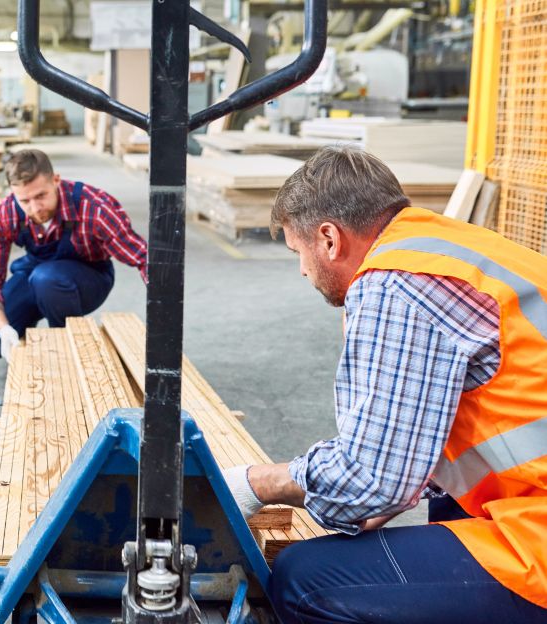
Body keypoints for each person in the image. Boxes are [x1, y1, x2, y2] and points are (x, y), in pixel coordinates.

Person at [220, 145, 547, 623]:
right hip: (526, 496)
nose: (303, 271)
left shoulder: (394, 284)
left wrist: (255, 483)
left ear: (329, 239)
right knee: (446, 511)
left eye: (299, 252)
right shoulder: (449, 248)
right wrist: (389, 493)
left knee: (303, 578)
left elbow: (369, 478)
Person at [0, 149, 147, 361]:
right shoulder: (6, 214)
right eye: (25, 201)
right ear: (12, 193)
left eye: (41, 196)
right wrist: (4, 329)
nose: (35, 208)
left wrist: (164, 313)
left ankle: (65, 348)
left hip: (88, 279)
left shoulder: (94, 208)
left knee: (47, 279)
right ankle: (26, 328)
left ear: (56, 180)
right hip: (34, 275)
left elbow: (143, 258)